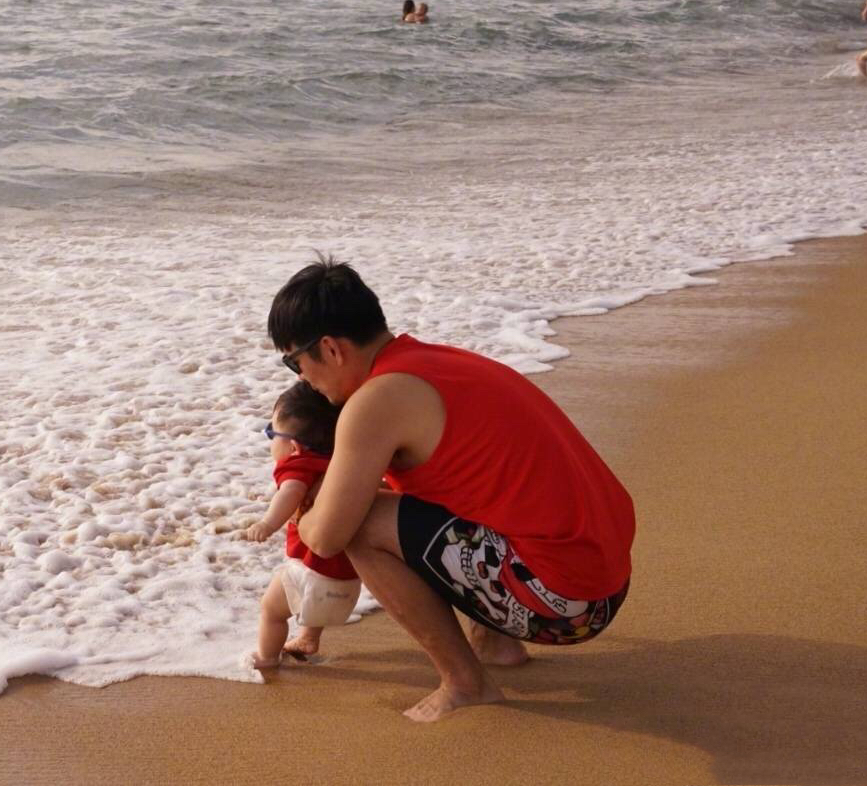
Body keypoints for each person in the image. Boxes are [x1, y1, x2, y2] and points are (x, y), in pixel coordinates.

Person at [267, 257, 634, 722]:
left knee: (360, 524)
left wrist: (300, 497)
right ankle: (495, 644)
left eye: (293, 361)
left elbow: (326, 538)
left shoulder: (376, 402)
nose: (301, 378)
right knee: (429, 501)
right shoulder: (437, 362)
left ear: (331, 349)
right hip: (603, 581)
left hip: (565, 605)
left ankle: (466, 682)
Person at [242, 380, 361, 669]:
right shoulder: (343, 462)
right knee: (316, 569)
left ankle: (267, 658)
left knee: (271, 610)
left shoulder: (296, 465)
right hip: (349, 582)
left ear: (293, 445)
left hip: (313, 582)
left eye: (271, 433)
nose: (270, 441)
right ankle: (308, 637)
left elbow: (291, 491)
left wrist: (268, 523)